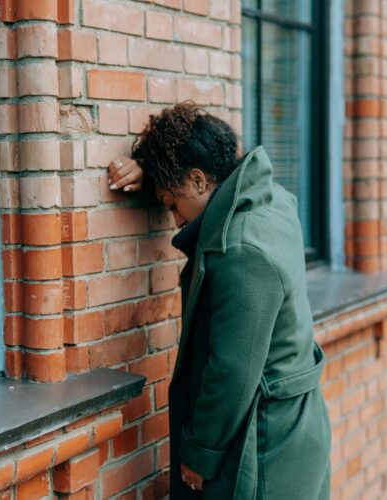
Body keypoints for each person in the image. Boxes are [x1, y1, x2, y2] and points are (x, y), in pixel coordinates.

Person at [107, 102, 331, 499]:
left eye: (171, 204)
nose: (174, 220)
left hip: (265, 443)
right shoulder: (269, 199)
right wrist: (152, 167)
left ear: (197, 179)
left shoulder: (240, 250)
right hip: (296, 426)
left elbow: (231, 371)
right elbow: (195, 132)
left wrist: (200, 453)